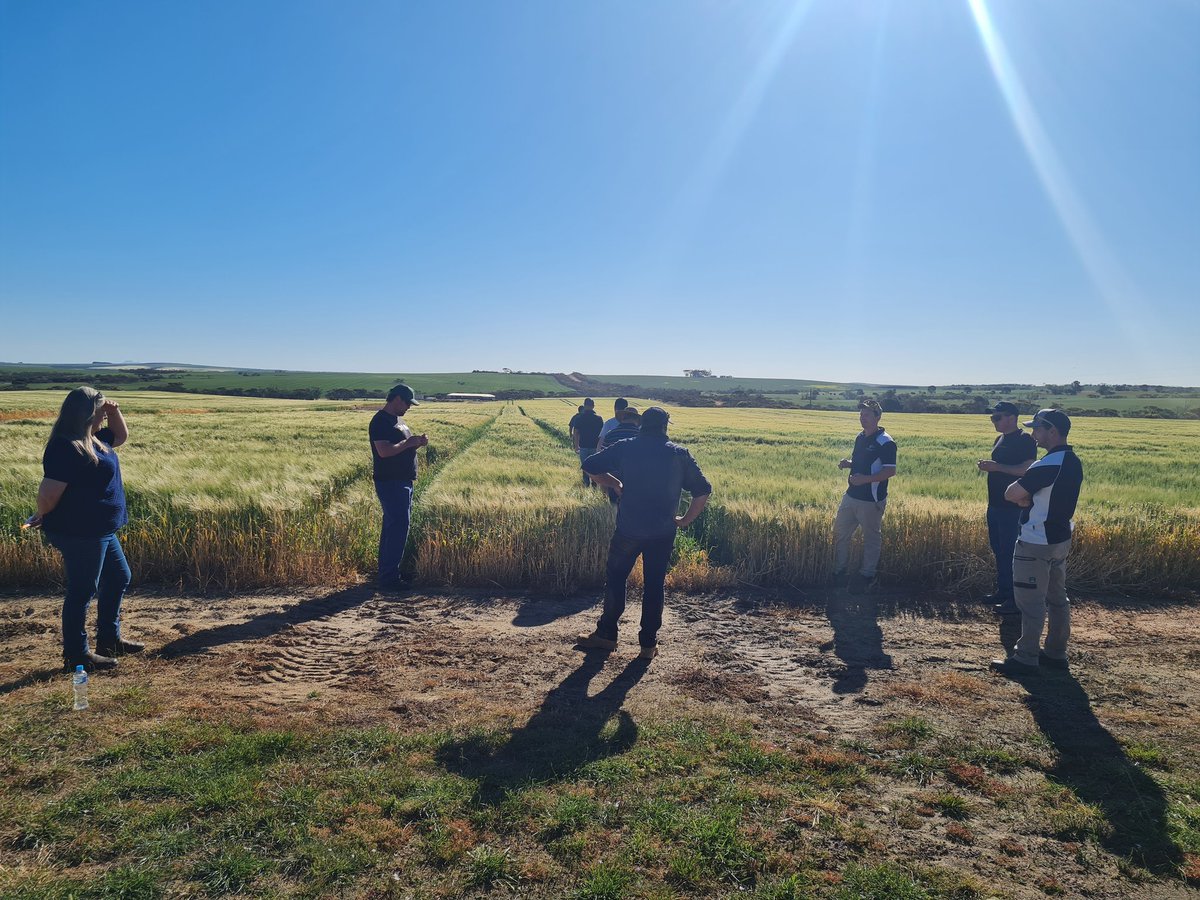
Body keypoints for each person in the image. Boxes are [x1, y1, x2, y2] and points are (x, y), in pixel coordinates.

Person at [577, 407, 712, 659]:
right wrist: (684, 520)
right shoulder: (679, 454)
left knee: (616, 579)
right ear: (665, 426)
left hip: (629, 529)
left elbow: (589, 465)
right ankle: (648, 645)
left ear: (641, 425)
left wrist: (615, 484)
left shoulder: (628, 446)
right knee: (653, 585)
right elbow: (702, 490)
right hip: (662, 532)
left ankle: (606, 636)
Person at [29, 387, 142, 671]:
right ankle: (76, 654)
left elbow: (121, 437)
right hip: (80, 531)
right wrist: (42, 514)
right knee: (82, 590)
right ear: (89, 413)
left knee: (118, 578)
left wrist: (115, 411)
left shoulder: (95, 439)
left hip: (102, 529)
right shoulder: (65, 446)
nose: (105, 416)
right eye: (101, 411)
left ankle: (108, 640)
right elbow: (49, 493)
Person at [991, 409, 1083, 676]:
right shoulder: (1072, 461)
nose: (1033, 434)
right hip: (1059, 538)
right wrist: (1028, 498)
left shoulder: (1047, 464)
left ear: (1052, 431)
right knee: (1057, 599)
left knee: (1030, 602)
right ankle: (1056, 653)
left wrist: (1025, 499)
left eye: (1037, 429)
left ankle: (1026, 657)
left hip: (1035, 541)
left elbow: (1011, 493)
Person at [976, 402, 1037, 615]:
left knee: (1012, 553)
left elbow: (1028, 469)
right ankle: (1003, 591)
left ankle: (1015, 599)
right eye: (993, 417)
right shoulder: (999, 439)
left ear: (1012, 417)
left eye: (997, 417)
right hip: (995, 505)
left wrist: (997, 467)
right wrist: (989, 467)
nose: (994, 421)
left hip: (1013, 507)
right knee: (999, 550)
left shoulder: (1025, 440)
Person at [832, 399, 897, 592]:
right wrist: (849, 463)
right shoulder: (860, 437)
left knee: (871, 539)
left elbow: (890, 471)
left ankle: (866, 576)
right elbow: (865, 462)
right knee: (840, 534)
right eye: (861, 415)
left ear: (878, 417)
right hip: (851, 496)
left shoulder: (885, 442)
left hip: (871, 500)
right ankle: (839, 571)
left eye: (867, 415)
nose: (863, 418)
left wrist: (865, 480)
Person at [370, 384, 428, 590]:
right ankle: (389, 579)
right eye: (408, 403)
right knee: (398, 528)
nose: (409, 408)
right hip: (391, 482)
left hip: (403, 481)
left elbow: (403, 444)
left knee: (394, 528)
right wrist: (409, 443)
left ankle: (388, 573)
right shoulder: (380, 421)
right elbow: (384, 452)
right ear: (397, 399)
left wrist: (417, 442)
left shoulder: (397, 420)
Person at [595, 407, 641, 502]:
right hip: (636, 479)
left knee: (614, 507)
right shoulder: (642, 436)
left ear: (622, 418)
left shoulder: (610, 434)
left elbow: (603, 461)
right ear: (636, 420)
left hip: (613, 479)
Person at [568, 398, 605, 487]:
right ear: (593, 406)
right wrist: (600, 448)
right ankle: (595, 484)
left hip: (583, 446)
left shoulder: (579, 418)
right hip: (595, 447)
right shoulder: (599, 418)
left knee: (585, 466)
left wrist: (576, 446)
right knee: (594, 466)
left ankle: (586, 483)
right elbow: (602, 434)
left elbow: (576, 433)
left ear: (584, 406)